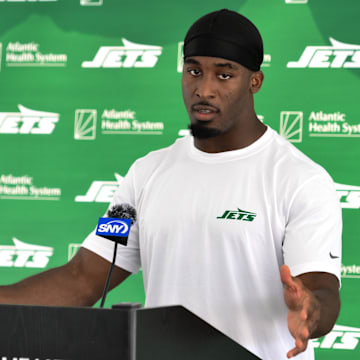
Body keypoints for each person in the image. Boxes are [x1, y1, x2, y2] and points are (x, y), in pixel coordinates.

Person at [0, 9, 341, 360]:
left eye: (224, 75)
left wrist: (311, 311)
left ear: (254, 82)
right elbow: (82, 277)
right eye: (194, 71)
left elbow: (321, 290)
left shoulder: (300, 179)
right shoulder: (146, 173)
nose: (204, 89)